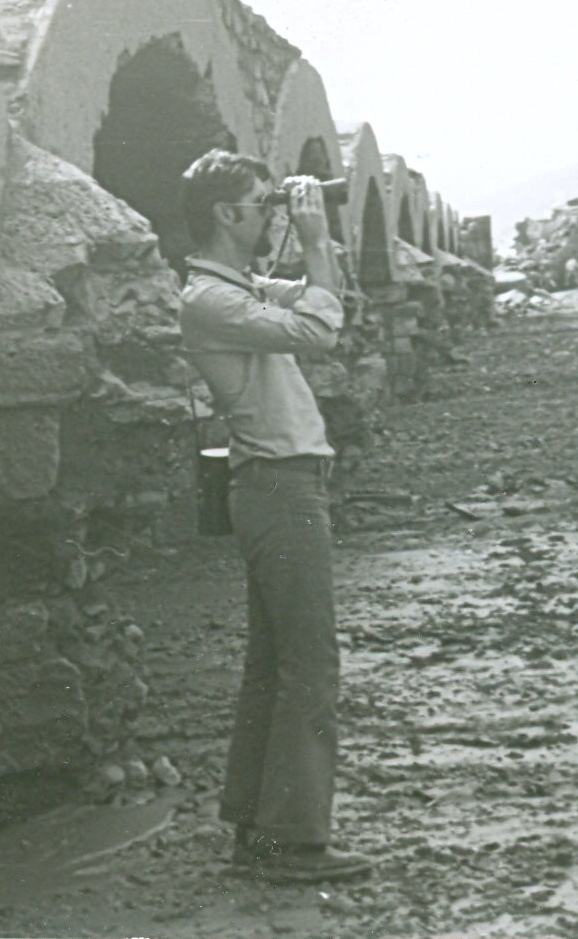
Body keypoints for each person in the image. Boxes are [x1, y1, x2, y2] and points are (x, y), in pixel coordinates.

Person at [176, 150, 372, 884]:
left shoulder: (239, 288)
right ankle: (292, 843)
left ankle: (256, 831)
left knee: (274, 665)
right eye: (262, 203)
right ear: (227, 215)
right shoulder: (209, 300)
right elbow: (318, 332)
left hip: (280, 486)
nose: (271, 212)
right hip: (278, 489)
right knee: (310, 665)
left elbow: (329, 299)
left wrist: (311, 239)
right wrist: (314, 243)